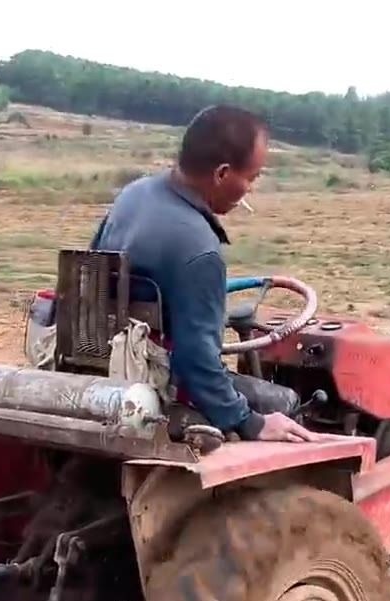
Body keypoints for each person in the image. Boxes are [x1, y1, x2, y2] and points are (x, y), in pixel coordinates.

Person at [89, 104, 333, 443]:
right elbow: (196, 362)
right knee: (283, 402)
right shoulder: (200, 249)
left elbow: (92, 273)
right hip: (157, 382)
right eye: (251, 178)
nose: (250, 189)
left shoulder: (134, 195)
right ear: (221, 174)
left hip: (103, 360)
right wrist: (251, 422)